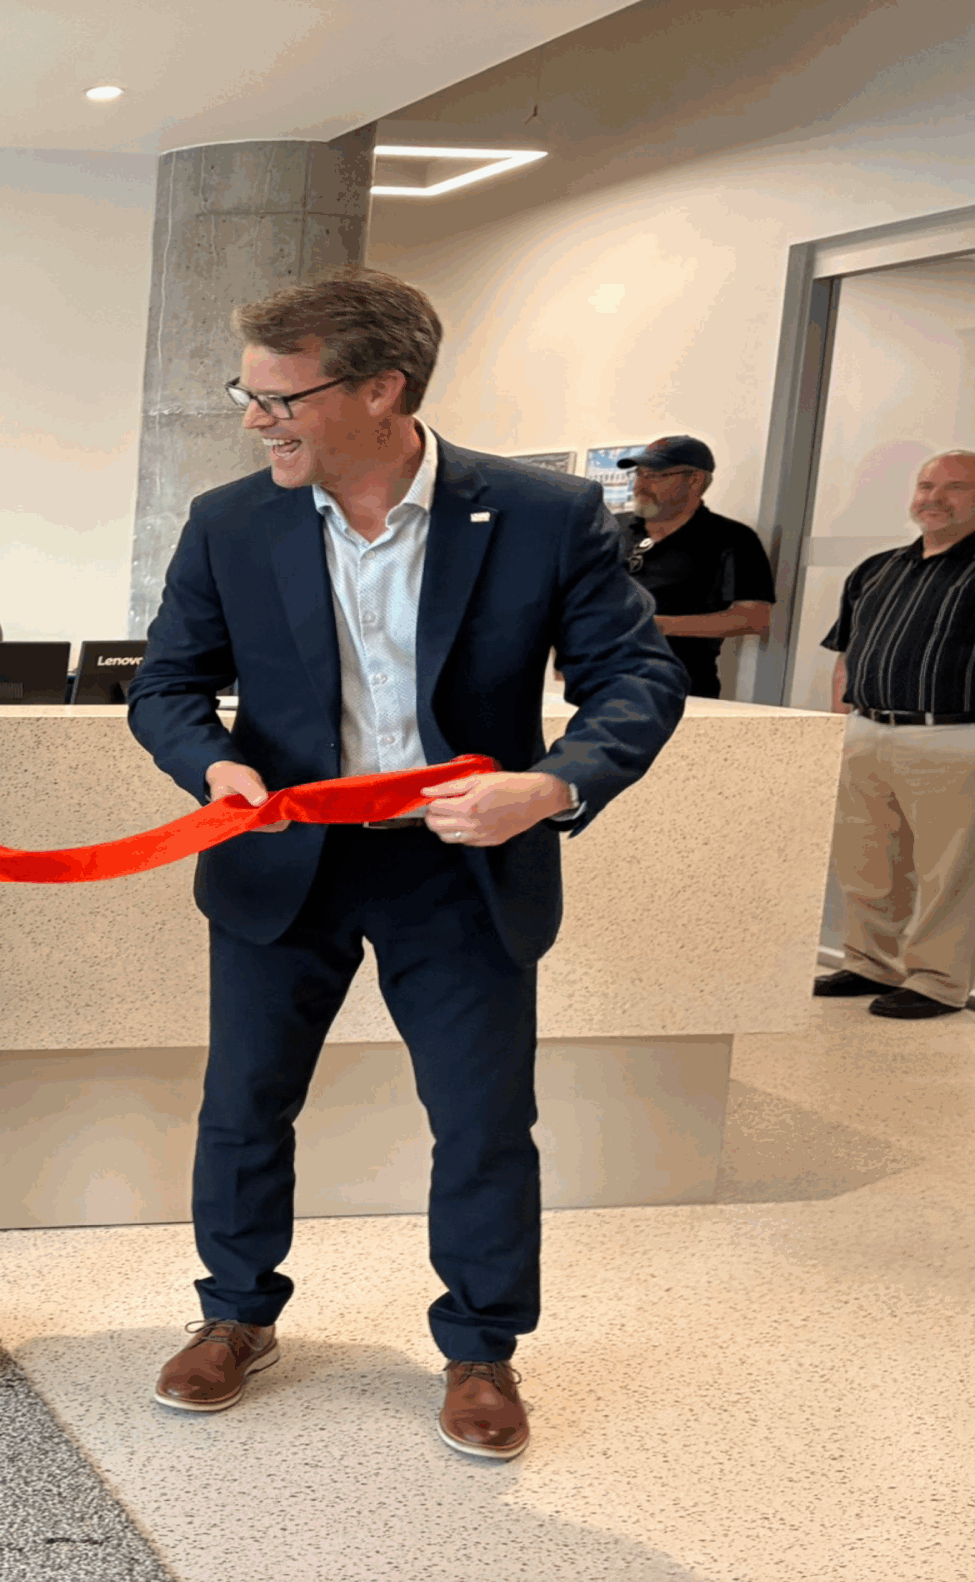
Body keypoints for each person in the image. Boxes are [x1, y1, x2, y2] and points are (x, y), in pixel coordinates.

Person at [128, 271, 685, 1461]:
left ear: (381, 389)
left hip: (463, 866)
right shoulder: (232, 519)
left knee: (482, 1118)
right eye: (250, 392)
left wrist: (548, 785)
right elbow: (166, 685)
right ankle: (232, 1313)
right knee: (243, 1104)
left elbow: (636, 679)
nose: (254, 418)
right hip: (286, 860)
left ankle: (481, 1347)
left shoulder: (541, 515)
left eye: (279, 396)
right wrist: (213, 771)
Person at [812, 451, 975, 1020]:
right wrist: (842, 723)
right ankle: (868, 962)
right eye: (927, 484)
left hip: (952, 738)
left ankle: (937, 981)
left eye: (955, 487)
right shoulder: (876, 568)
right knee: (867, 859)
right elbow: (846, 652)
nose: (935, 497)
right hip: (866, 731)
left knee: (948, 869)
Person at [614, 435, 775, 698]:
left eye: (655, 475)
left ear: (695, 480)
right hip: (595, 685)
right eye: (639, 474)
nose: (640, 486)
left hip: (677, 689)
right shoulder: (607, 529)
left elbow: (753, 618)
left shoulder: (732, 539)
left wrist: (656, 625)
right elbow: (568, 594)